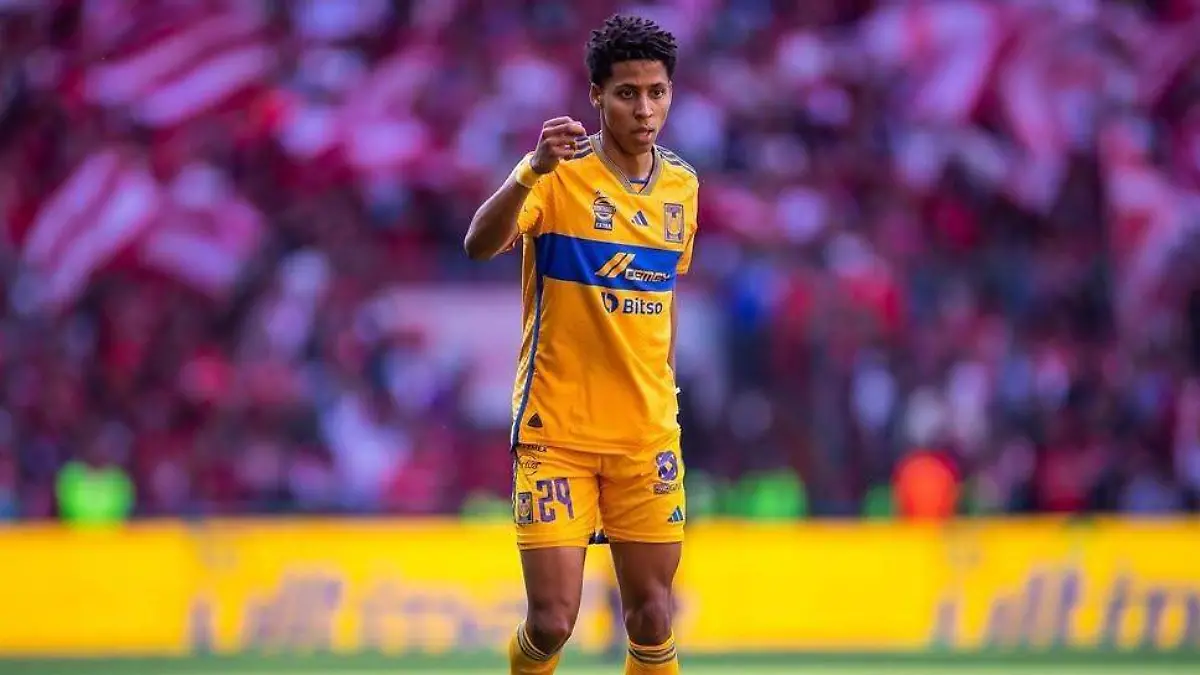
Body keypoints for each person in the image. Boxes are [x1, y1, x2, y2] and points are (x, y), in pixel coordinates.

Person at [464, 13, 698, 675]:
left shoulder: (683, 187)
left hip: (645, 436)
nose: (644, 110)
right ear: (596, 95)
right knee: (552, 622)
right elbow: (478, 244)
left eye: (657, 92)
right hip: (557, 432)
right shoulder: (556, 175)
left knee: (653, 616)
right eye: (627, 93)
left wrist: (665, 394)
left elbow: (663, 299)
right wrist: (527, 171)